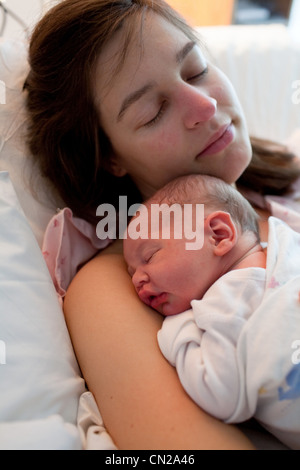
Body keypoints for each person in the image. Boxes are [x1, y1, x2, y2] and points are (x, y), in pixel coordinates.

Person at [24, 0, 300, 449]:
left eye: (195, 69)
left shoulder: (287, 179)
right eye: (152, 112)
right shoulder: (118, 287)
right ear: (110, 156)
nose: (205, 104)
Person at [123, 174, 300, 449]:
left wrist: (177, 327)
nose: (136, 280)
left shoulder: (226, 300)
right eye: (131, 273)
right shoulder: (288, 247)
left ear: (218, 235)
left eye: (149, 257)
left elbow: (221, 394)